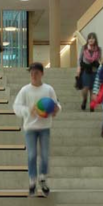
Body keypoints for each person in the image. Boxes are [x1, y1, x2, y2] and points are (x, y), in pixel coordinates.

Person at [13, 62, 60, 197]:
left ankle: (42, 178)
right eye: (31, 73)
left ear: (42, 74)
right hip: (30, 128)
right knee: (32, 155)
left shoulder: (49, 89)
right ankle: (32, 180)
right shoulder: (25, 90)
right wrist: (29, 110)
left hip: (45, 127)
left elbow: (56, 104)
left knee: (45, 156)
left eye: (36, 73)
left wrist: (56, 110)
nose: (33, 75)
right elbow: (16, 107)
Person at [75, 33, 101, 111]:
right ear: (88, 40)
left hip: (95, 71)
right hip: (86, 70)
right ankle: (84, 100)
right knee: (85, 88)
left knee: (93, 89)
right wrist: (79, 68)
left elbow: (100, 60)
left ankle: (92, 105)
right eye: (89, 38)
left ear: (95, 40)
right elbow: (80, 59)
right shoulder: (84, 48)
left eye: (93, 38)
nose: (91, 40)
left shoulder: (98, 49)